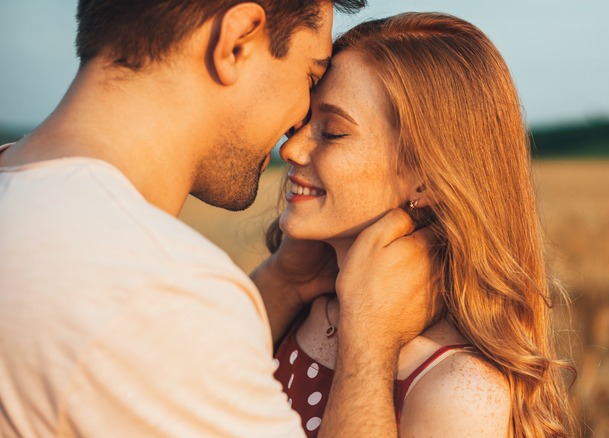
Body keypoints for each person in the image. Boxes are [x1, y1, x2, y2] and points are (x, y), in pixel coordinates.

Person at [0, 1, 435, 437]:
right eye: (310, 76)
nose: (296, 128)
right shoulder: (160, 293)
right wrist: (369, 345)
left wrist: (284, 281)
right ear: (236, 42)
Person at [267, 12, 576, 437]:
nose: (292, 149)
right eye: (301, 123)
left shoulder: (459, 390)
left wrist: (368, 342)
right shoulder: (300, 305)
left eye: (333, 132)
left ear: (427, 176)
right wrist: (285, 278)